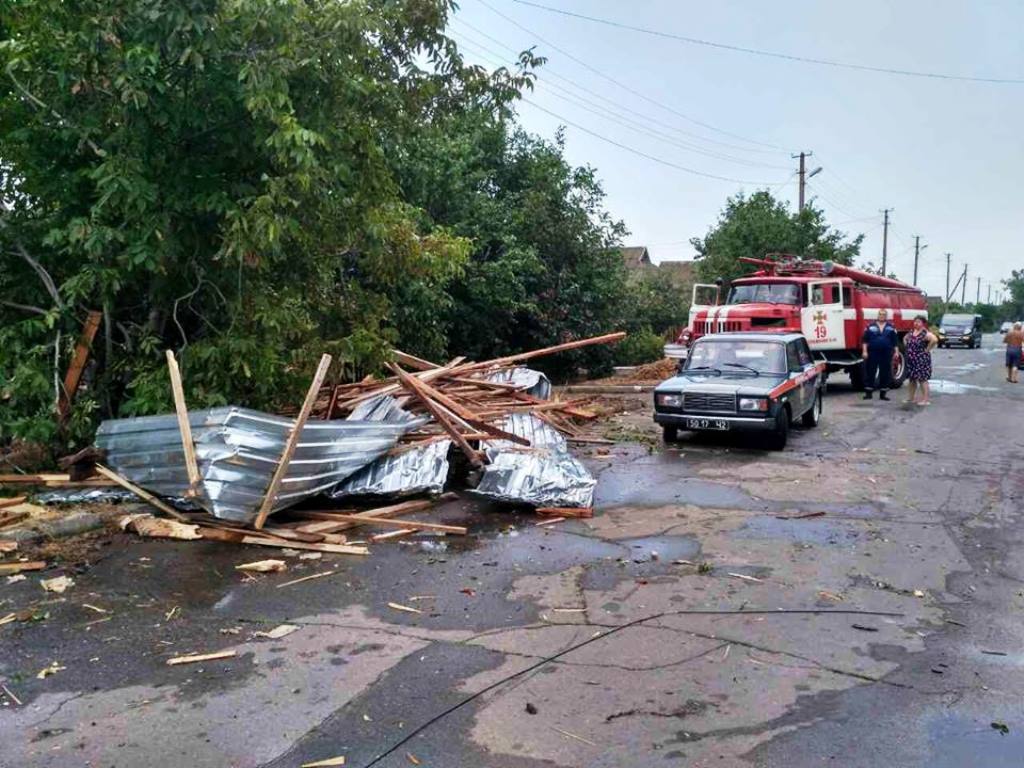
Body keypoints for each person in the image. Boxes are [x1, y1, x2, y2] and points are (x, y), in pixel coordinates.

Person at [861, 309, 899, 400]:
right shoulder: (870, 326)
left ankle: (883, 394)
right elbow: (865, 340)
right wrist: (864, 351)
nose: (882, 316)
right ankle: (868, 393)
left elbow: (895, 342)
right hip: (873, 352)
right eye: (880, 314)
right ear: (878, 315)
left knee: (885, 372)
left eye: (884, 314)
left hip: (886, 353)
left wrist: (896, 352)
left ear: (886, 316)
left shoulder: (891, 327)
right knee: (870, 371)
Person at [904, 315, 937, 405]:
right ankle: (911, 398)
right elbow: (905, 338)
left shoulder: (925, 333)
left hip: (921, 359)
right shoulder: (912, 332)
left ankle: (925, 400)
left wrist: (927, 349)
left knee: (922, 379)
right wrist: (907, 347)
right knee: (912, 379)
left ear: (923, 323)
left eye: (918, 322)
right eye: (915, 321)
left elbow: (934, 340)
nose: (916, 323)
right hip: (911, 359)